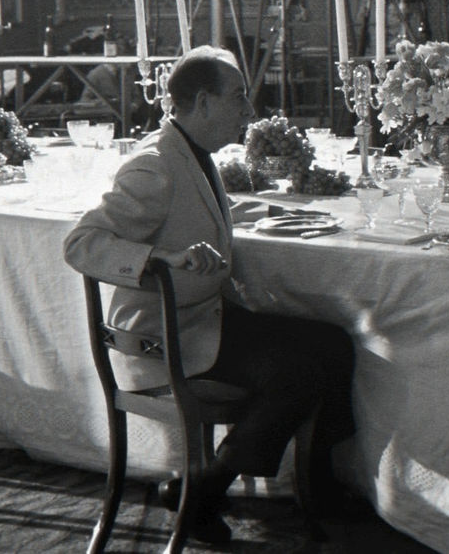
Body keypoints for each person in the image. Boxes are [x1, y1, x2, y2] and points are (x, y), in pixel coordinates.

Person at [63, 46, 355, 543]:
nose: (248, 112)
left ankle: (316, 480)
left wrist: (251, 213)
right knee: (298, 371)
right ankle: (203, 493)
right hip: (166, 334)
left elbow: (191, 212)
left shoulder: (188, 151)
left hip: (201, 316)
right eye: (238, 99)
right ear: (201, 102)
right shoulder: (153, 166)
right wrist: (161, 259)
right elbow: (81, 243)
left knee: (334, 343)